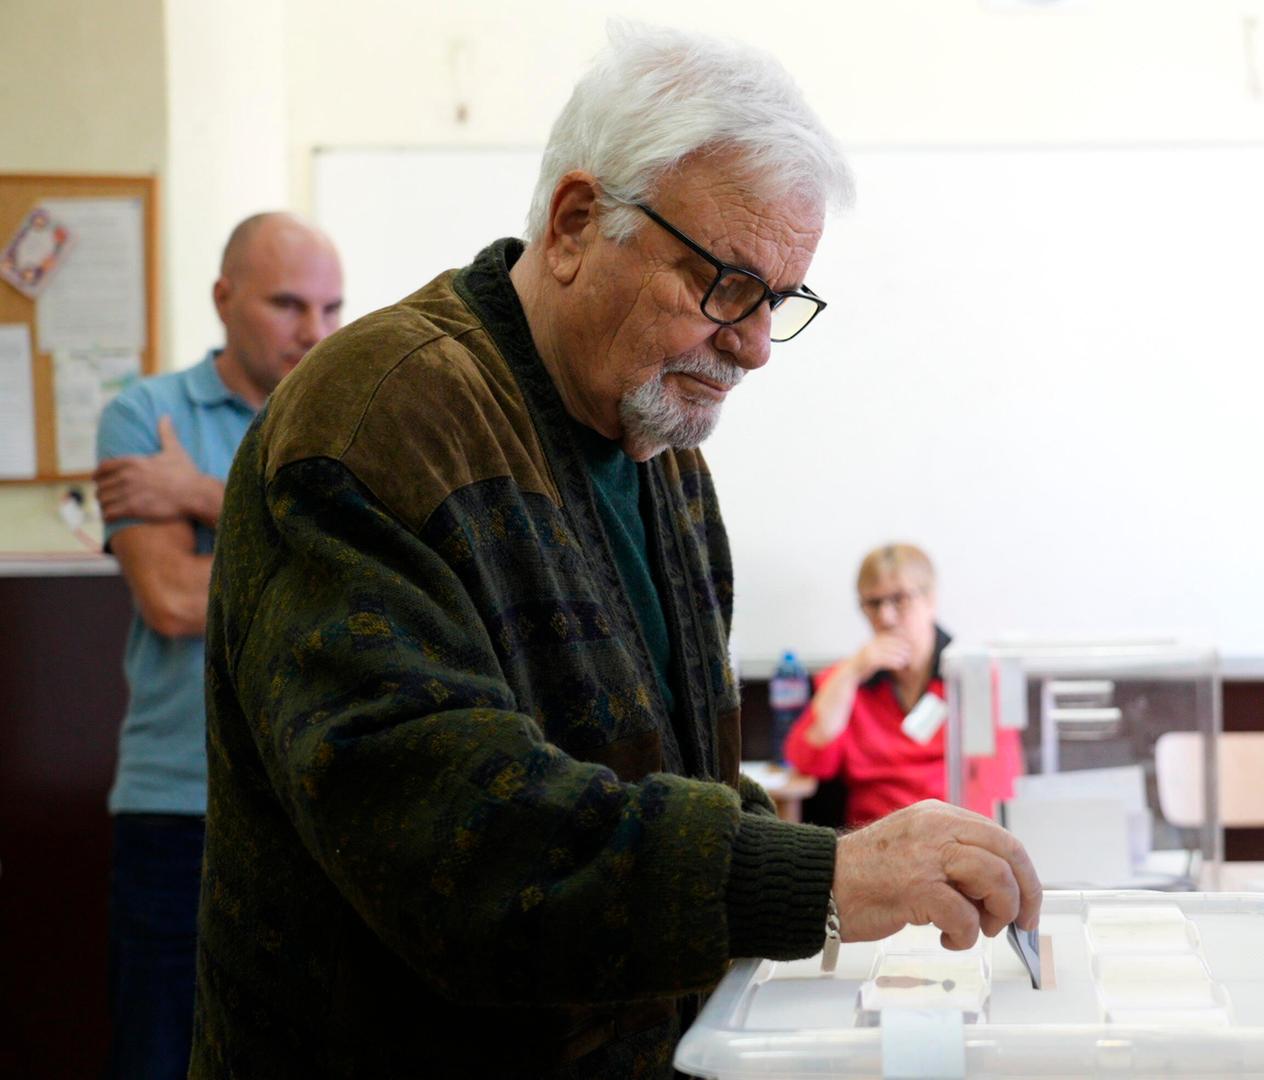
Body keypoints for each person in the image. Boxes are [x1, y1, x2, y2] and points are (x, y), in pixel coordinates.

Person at [190, 27, 1040, 1079]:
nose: (757, 343)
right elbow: (458, 849)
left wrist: (856, 862)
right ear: (575, 223)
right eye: (727, 282)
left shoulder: (663, 453)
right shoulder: (374, 422)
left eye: (780, 299)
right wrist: (821, 878)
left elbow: (678, 778)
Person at [91, 211, 342, 1079]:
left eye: (331, 308)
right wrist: (314, 568)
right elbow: (168, 598)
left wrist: (201, 495)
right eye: (288, 305)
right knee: (157, 1057)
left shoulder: (345, 425)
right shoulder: (144, 415)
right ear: (223, 298)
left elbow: (356, 604)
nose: (315, 333)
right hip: (174, 806)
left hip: (314, 809)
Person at [782, 543, 1024, 826]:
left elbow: (998, 785)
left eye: (899, 599)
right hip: (876, 844)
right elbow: (809, 761)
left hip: (955, 838)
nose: (885, 617)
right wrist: (853, 671)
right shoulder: (846, 681)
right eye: (873, 604)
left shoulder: (974, 681)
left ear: (930, 600)